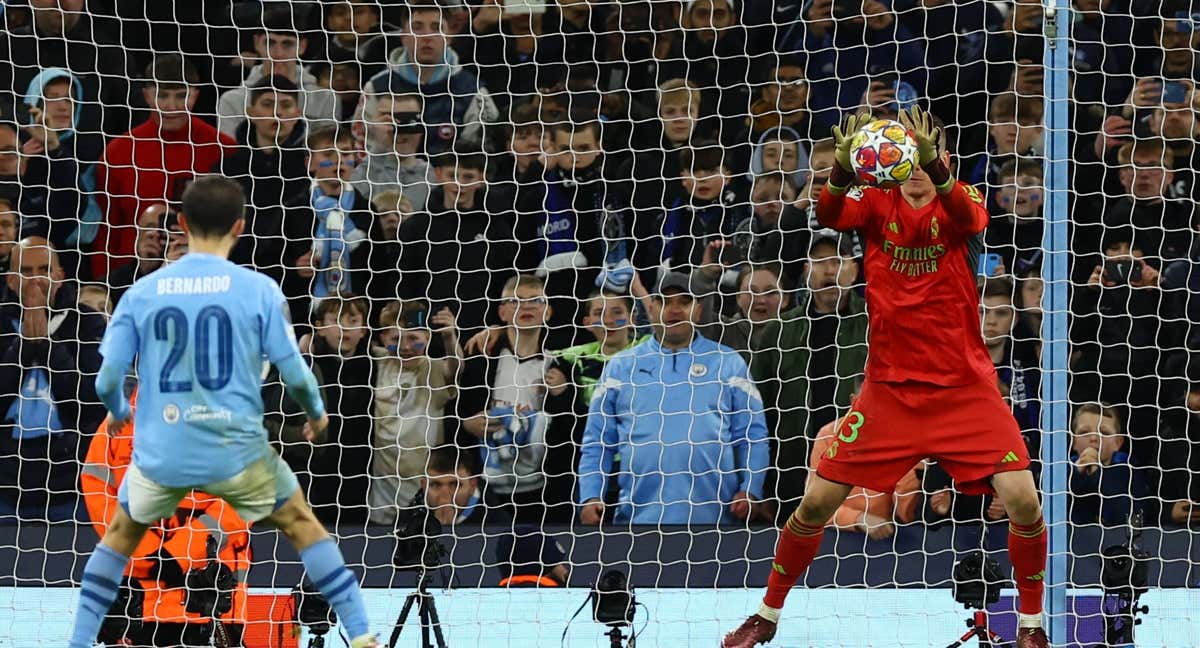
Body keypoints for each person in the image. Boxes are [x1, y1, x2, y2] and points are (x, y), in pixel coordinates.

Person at [723, 107, 1048, 648]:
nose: (915, 164)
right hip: (889, 393)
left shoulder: (958, 199)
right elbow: (828, 212)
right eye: (905, 154)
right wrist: (846, 169)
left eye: (925, 153)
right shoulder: (875, 203)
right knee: (815, 505)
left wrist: (935, 167)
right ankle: (766, 614)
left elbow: (973, 223)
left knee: (1024, 501)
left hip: (964, 390)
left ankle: (1032, 627)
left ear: (941, 157)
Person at [70, 176, 378, 648]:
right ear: (239, 226)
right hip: (184, 592)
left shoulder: (142, 298)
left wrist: (157, 555)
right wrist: (316, 414)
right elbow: (295, 370)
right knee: (305, 526)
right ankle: (360, 633)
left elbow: (106, 383)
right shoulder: (255, 293)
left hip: (181, 591)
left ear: (181, 223)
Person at [578, 271, 769, 526]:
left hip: (717, 522)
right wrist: (590, 495)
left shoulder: (729, 362)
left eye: (684, 302)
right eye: (666, 302)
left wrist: (751, 488)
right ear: (652, 308)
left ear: (698, 310)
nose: (675, 309)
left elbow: (753, 436)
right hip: (637, 523)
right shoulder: (620, 367)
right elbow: (597, 442)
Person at [81, 394, 252, 647]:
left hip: (209, 602)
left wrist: (178, 554)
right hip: (139, 604)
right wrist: (150, 556)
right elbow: (98, 492)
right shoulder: (118, 424)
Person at [93, 55, 234, 278]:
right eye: (162, 95)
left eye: (181, 96)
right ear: (147, 96)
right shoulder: (118, 152)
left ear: (195, 95)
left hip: (204, 275)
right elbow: (106, 230)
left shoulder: (224, 149)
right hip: (130, 279)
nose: (171, 106)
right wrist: (103, 287)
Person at [0, 237, 107, 522]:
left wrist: (46, 345)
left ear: (59, 276)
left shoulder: (88, 323)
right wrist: (23, 347)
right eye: (26, 271)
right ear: (11, 280)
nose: (36, 280)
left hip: (71, 485)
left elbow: (91, 402)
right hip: (5, 484)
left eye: (44, 270)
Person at [368, 300, 461, 526]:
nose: (405, 347)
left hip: (424, 493)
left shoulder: (433, 369)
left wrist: (450, 338)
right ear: (382, 339)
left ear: (428, 337)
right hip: (383, 496)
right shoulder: (377, 363)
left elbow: (455, 368)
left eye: (413, 339)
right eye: (396, 339)